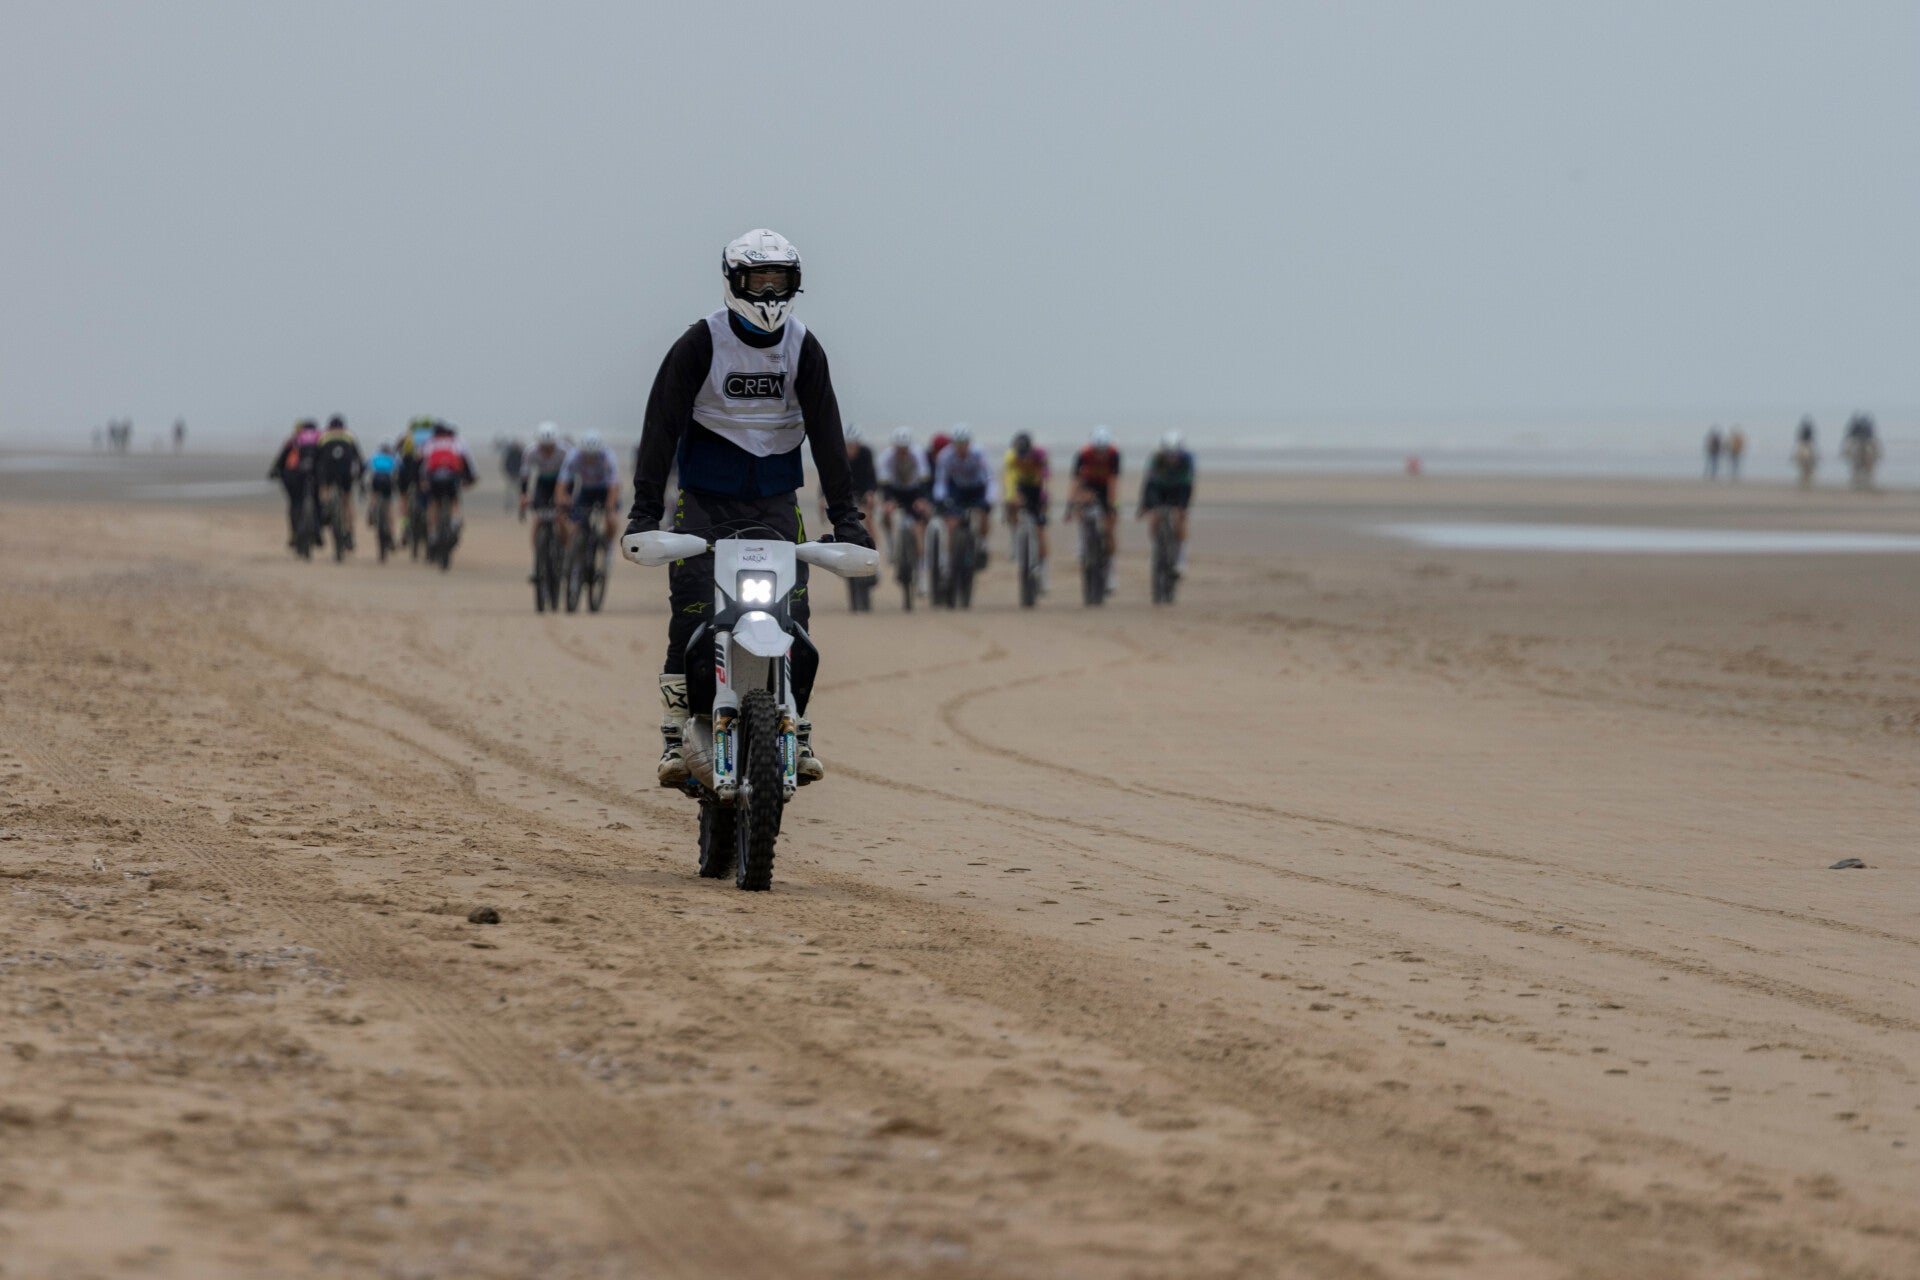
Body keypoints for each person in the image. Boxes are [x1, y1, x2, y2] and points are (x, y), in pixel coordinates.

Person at [623, 228, 870, 786]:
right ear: (735, 281)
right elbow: (661, 428)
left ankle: (797, 729)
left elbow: (828, 437)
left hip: (776, 507)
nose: (769, 293)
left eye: (779, 280)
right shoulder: (701, 343)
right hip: (703, 507)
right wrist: (644, 512)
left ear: (795, 283)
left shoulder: (803, 347)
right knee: (690, 612)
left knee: (796, 616)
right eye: (759, 281)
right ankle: (674, 735)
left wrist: (847, 519)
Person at [931, 424, 994, 566]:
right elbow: (941, 480)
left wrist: (989, 497)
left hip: (977, 488)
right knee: (951, 521)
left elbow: (989, 477)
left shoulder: (979, 453)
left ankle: (982, 543)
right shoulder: (945, 456)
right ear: (953, 444)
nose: (961, 447)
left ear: (969, 443)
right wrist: (941, 498)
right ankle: (948, 557)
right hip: (958, 489)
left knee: (984, 513)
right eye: (958, 444)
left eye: (964, 444)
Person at [1070, 425, 1122, 591]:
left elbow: (1113, 482)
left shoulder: (1114, 454)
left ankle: (1111, 573)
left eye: (1103, 451)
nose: (1100, 454)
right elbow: (1076, 480)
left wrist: (1112, 506)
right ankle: (1083, 541)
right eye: (1097, 451)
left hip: (1106, 487)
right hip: (1089, 485)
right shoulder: (1083, 454)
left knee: (1110, 528)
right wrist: (1072, 502)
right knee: (1081, 505)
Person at [1138, 430, 1196, 574]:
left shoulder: (1187, 460)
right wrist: (1145, 505)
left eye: (1174, 454)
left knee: (1180, 519)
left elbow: (1188, 486)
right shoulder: (1155, 459)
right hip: (1159, 489)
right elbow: (1148, 484)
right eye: (1168, 454)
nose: (1171, 458)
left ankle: (1181, 558)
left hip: (1179, 489)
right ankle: (1155, 550)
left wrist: (1183, 507)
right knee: (1155, 516)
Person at [1002, 431, 1051, 589]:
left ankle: (1043, 573)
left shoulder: (1040, 455)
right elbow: (1009, 479)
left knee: (1040, 531)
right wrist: (1011, 497)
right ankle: (1014, 539)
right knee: (1010, 504)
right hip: (1021, 486)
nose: (1022, 458)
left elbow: (1045, 480)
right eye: (1020, 455)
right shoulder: (1011, 457)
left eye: (1025, 455)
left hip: (1036, 488)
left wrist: (1043, 500)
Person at [879, 427, 933, 571]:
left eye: (905, 450)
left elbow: (924, 480)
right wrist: (888, 501)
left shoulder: (918, 454)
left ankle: (922, 560)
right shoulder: (886, 457)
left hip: (914, 491)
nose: (902, 453)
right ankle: (891, 544)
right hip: (895, 491)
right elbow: (884, 483)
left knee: (921, 520)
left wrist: (922, 499)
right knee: (886, 512)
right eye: (899, 450)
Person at [557, 429, 621, 548]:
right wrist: (561, 499)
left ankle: (608, 546)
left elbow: (614, 484)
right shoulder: (574, 455)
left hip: (605, 490)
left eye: (593, 456)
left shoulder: (608, 456)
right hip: (586, 490)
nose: (590, 459)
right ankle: (573, 550)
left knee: (611, 518)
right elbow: (563, 480)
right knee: (572, 521)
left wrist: (610, 506)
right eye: (587, 456)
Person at [267, 419, 321, 547]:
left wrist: (274, 472)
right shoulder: (319, 439)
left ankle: (294, 534)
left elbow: (282, 459)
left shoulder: (294, 440)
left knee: (295, 504)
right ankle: (317, 532)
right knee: (317, 502)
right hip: (313, 476)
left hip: (293, 476)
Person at [420, 420, 477, 542]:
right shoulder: (456, 441)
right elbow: (468, 460)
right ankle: (454, 521)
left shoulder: (430, 442)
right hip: (452, 476)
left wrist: (424, 480)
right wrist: (471, 478)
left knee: (434, 502)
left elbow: (423, 463)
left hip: (434, 477)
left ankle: (433, 533)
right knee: (453, 499)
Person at [518, 421, 569, 558]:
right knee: (539, 518)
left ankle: (566, 550)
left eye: (550, 447)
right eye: (543, 447)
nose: (547, 450)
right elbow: (525, 474)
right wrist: (524, 495)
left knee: (560, 517)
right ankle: (537, 556)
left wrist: (567, 496)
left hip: (561, 482)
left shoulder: (564, 451)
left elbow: (571, 475)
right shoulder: (531, 452)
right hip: (543, 483)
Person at [314, 415, 364, 547]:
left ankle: (325, 507)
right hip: (345, 473)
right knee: (347, 502)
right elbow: (359, 458)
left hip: (328, 472)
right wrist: (359, 476)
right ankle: (350, 533)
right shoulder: (350, 436)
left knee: (324, 487)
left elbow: (316, 458)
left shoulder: (324, 436)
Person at [364, 441, 399, 544]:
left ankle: (371, 510)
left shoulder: (374, 457)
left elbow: (365, 466)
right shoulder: (392, 458)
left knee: (373, 494)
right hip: (387, 481)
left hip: (376, 479)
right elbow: (399, 470)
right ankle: (391, 534)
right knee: (388, 507)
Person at [1793, 417, 1818, 490]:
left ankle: (1815, 459)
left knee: (1812, 450)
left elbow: (1811, 437)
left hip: (1807, 442)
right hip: (1803, 442)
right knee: (1799, 448)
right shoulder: (1802, 430)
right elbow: (1799, 437)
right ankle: (1795, 457)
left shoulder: (1809, 430)